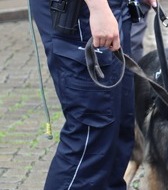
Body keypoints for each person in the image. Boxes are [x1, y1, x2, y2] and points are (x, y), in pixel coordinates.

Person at [29, 0, 156, 189]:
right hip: (82, 10)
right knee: (91, 134)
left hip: (112, 8)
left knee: (119, 130)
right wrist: (98, 8)